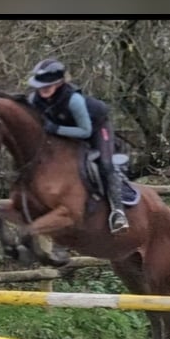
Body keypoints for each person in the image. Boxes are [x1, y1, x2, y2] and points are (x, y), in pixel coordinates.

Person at [26, 58, 129, 234]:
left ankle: (118, 212)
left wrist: (56, 129)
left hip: (96, 128)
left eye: (47, 85)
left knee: (105, 163)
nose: (42, 89)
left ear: (58, 83)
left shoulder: (74, 100)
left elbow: (85, 131)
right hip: (65, 132)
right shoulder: (34, 100)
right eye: (40, 86)